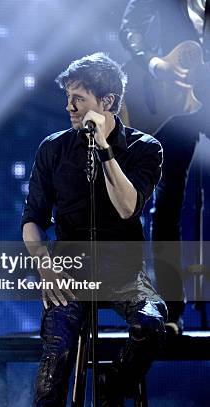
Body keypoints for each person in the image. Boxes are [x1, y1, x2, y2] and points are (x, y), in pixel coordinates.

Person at [21, 53, 166, 406]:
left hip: (124, 272)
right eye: (67, 97)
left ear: (107, 102)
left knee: (150, 322)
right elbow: (32, 220)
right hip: (69, 271)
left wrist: (103, 148)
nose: (69, 106)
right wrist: (45, 266)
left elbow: (128, 207)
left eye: (79, 98)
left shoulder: (146, 149)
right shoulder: (53, 148)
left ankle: (113, 388)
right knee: (54, 361)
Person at [120, 0, 210, 336]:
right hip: (170, 99)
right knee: (168, 204)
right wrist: (155, 64)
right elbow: (130, 26)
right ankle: (171, 310)